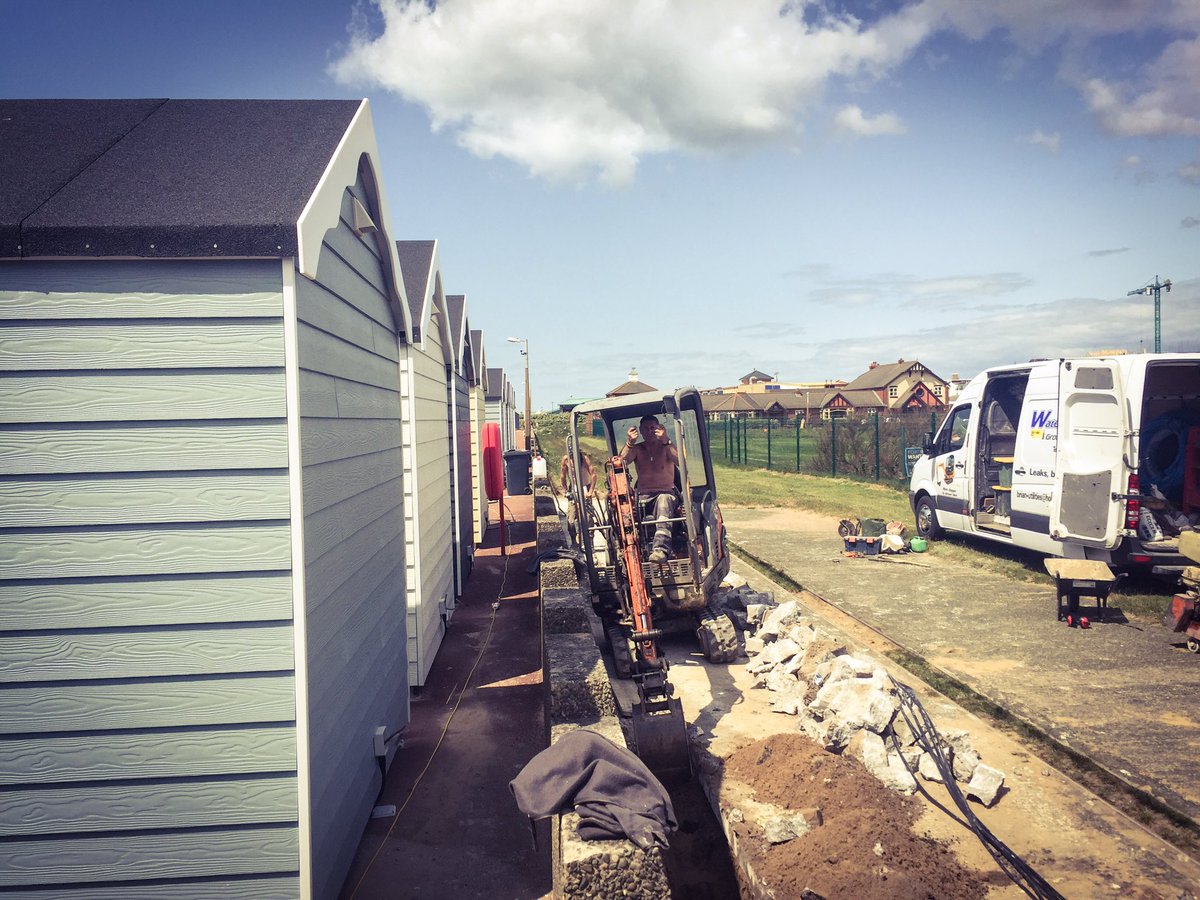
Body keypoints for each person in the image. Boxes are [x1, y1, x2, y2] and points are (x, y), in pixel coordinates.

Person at [620, 414, 680, 563]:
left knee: (663, 501)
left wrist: (666, 440)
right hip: (643, 496)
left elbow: (681, 461)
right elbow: (622, 462)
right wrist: (629, 443)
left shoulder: (666, 447)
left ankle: (660, 550)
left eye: (652, 427)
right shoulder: (638, 449)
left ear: (659, 428)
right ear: (640, 431)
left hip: (666, 493)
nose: (649, 431)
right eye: (645, 428)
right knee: (624, 512)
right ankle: (628, 550)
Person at [560, 441, 596, 536]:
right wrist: (565, 491)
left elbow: (593, 475)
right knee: (571, 518)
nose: (572, 458)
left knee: (587, 517)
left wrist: (590, 491)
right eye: (571, 456)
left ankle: (590, 539)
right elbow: (562, 476)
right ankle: (574, 541)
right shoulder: (566, 460)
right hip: (573, 488)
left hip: (585, 487)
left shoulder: (584, 459)